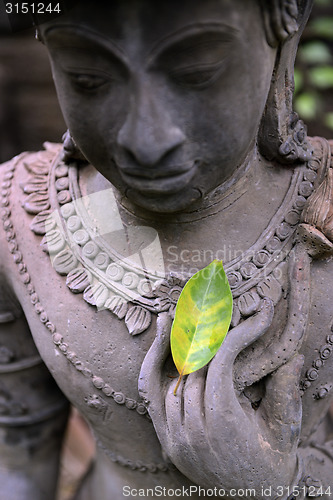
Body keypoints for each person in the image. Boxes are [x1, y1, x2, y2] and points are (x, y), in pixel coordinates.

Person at [0, 0, 332, 498]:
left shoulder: (322, 208)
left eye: (196, 74)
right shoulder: (21, 215)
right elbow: (19, 454)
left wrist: (274, 484)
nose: (145, 141)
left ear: (285, 23)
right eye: (89, 79)